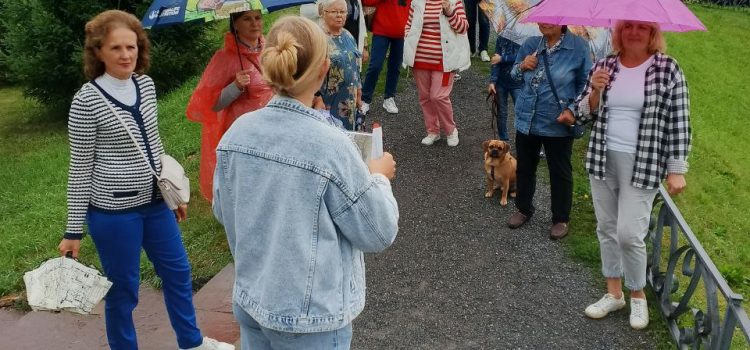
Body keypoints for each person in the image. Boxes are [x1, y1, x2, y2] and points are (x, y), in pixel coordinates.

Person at [212, 16, 400, 349]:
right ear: (324, 67)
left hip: (251, 300)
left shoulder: (236, 135)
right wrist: (378, 178)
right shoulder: (332, 146)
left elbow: (222, 210)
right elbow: (377, 230)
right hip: (311, 320)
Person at [57, 10, 233, 350]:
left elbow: (154, 145)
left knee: (178, 273)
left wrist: (171, 195)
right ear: (98, 52)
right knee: (123, 290)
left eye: (132, 46)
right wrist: (73, 231)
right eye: (116, 48)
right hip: (114, 214)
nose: (126, 55)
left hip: (155, 206)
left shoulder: (145, 84)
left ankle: (191, 342)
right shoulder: (86, 101)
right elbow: (79, 168)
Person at [559, 20, 692, 330]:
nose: (634, 32)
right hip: (604, 157)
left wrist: (676, 169)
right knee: (606, 228)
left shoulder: (667, 69)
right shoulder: (606, 65)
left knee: (629, 234)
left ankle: (637, 296)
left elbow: (679, 119)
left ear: (653, 34)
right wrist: (595, 89)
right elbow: (583, 112)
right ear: (618, 32)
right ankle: (613, 293)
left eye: (642, 28)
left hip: (643, 161)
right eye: (628, 27)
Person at [505, 23, 591, 239]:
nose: (544, 23)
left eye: (550, 18)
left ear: (562, 20)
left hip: (557, 122)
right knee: (525, 167)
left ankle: (561, 218)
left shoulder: (578, 47)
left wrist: (573, 110)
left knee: (559, 171)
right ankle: (524, 208)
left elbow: (585, 84)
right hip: (527, 118)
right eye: (541, 18)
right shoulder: (531, 44)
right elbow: (513, 77)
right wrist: (523, 66)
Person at [186, 10, 273, 202]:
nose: (254, 23)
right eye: (247, 19)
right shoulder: (224, 58)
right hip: (245, 134)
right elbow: (212, 105)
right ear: (235, 24)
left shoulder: (271, 50)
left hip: (274, 127)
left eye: (257, 18)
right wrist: (236, 86)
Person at [403, 0, 471, 147]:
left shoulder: (454, 2)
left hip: (444, 61)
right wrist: (407, 36)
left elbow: (463, 28)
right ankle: (433, 131)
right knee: (425, 97)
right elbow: (409, 23)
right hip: (420, 59)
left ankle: (451, 130)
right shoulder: (417, 2)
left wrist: (450, 13)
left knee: (438, 96)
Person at [316, 0, 365, 130]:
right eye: (334, 11)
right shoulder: (317, 38)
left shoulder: (348, 35)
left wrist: (359, 92)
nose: (339, 15)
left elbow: (355, 66)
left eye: (343, 11)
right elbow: (310, 72)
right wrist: (317, 98)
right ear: (323, 13)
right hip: (329, 103)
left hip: (350, 100)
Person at [360, 0, 411, 115]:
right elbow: (367, 2)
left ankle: (389, 97)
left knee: (395, 67)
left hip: (402, 31)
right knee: (375, 66)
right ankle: (365, 99)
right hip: (381, 30)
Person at [487, 34, 522, 141]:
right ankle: (503, 140)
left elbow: (523, 57)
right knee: (501, 112)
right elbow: (495, 60)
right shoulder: (501, 38)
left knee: (522, 112)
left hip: (519, 83)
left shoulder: (526, 40)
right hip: (501, 82)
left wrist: (502, 58)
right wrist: (493, 81)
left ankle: (528, 141)